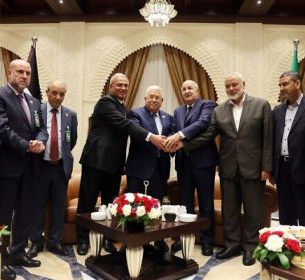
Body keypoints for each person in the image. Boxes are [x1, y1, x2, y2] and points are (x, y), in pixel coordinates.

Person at [174, 73, 273, 265]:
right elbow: (209, 134)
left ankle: (251, 248)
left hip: (253, 167)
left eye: (234, 85)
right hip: (227, 167)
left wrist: (267, 167)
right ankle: (232, 245)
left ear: (243, 84)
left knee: (253, 211)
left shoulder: (261, 105)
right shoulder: (219, 110)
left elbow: (268, 138)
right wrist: (184, 145)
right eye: (227, 86)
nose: (231, 89)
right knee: (230, 210)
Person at [76, 73, 165, 255]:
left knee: (110, 204)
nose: (123, 88)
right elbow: (124, 124)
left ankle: (108, 240)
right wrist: (151, 137)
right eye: (119, 85)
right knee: (87, 202)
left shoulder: (122, 107)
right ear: (111, 86)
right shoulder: (105, 102)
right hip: (96, 161)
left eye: (126, 85)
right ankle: (83, 240)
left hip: (115, 164)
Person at [0, 59, 48, 280]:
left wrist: (40, 141)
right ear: (9, 72)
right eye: (20, 72)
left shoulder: (33, 101)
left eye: (27, 73)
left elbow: (42, 128)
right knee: (1, 216)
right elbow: (2, 128)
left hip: (31, 168)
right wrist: (27, 146)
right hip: (7, 168)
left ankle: (18, 253)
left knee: (25, 214)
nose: (24, 76)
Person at [164, 80, 218, 256]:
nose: (187, 91)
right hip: (183, 164)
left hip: (203, 163)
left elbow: (203, 123)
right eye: (184, 88)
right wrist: (169, 144)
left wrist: (179, 136)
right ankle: (184, 238)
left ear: (197, 90)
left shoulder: (207, 105)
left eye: (190, 88)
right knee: (184, 204)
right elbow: (172, 131)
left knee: (206, 204)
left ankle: (207, 240)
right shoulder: (178, 110)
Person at [27, 80, 78, 258]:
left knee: (58, 206)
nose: (58, 97)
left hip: (60, 168)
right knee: (37, 205)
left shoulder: (71, 115)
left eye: (62, 94)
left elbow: (71, 141)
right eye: (54, 93)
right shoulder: (37, 111)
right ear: (47, 92)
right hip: (40, 166)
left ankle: (55, 241)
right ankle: (36, 241)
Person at [125, 85, 173, 252]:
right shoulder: (135, 114)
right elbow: (137, 133)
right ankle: (132, 239)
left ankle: (157, 238)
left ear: (162, 101)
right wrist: (154, 139)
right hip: (138, 169)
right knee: (134, 207)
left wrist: (170, 144)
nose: (154, 99)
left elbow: (172, 137)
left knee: (156, 207)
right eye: (150, 96)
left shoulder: (168, 117)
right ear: (145, 99)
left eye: (157, 97)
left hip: (160, 171)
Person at [272, 71, 305, 230]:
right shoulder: (277, 111)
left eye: (285, 84)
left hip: (303, 168)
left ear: (297, 83)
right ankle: (288, 248)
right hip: (282, 169)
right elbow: (273, 141)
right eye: (280, 85)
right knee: (286, 215)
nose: (281, 88)